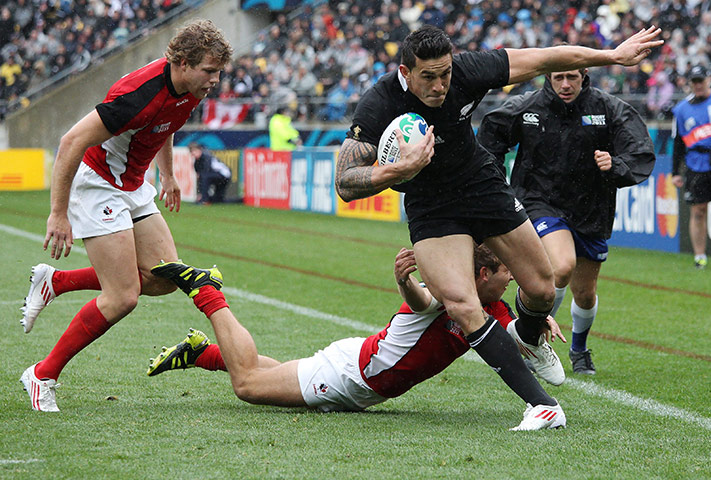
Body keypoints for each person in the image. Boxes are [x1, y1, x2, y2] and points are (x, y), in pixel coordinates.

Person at [333, 25, 662, 422]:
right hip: (432, 207)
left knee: (542, 290)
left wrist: (612, 55)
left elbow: (546, 57)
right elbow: (345, 181)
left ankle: (526, 337)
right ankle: (543, 406)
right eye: (428, 77)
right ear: (406, 73)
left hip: (481, 185)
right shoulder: (379, 103)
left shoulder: (469, 70)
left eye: (445, 74)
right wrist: (399, 169)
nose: (439, 85)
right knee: (460, 304)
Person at [18, 19, 233, 412]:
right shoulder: (137, 93)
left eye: (218, 72)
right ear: (182, 62)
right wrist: (58, 213)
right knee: (122, 297)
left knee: (166, 276)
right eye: (209, 71)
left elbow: (166, 123)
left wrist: (166, 173)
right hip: (98, 184)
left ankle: (56, 283)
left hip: (132, 184)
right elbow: (71, 141)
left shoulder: (190, 87)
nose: (215, 80)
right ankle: (42, 374)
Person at [147, 245, 566, 430]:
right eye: (508, 274)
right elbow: (421, 301)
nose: (514, 280)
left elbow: (514, 336)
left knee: (263, 374)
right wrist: (404, 281)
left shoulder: (493, 307)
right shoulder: (451, 292)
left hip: (359, 373)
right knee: (248, 385)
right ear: (482, 275)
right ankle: (206, 291)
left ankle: (202, 353)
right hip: (353, 375)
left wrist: (537, 318)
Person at [477, 67, 656, 375]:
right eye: (558, 77)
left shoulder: (607, 108)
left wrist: (617, 164)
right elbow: (490, 135)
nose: (565, 84)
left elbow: (640, 150)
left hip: (592, 208)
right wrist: (492, 182)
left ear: (583, 75)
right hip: (540, 201)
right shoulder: (527, 106)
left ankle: (579, 349)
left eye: (571, 77)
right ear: (547, 76)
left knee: (585, 293)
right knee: (561, 266)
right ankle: (529, 336)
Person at [671, 65, 711, 269]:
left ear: (709, 79)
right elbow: (677, 142)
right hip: (697, 163)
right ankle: (699, 256)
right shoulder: (681, 109)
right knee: (698, 210)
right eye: (694, 81)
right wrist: (675, 172)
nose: (697, 85)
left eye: (701, 80)